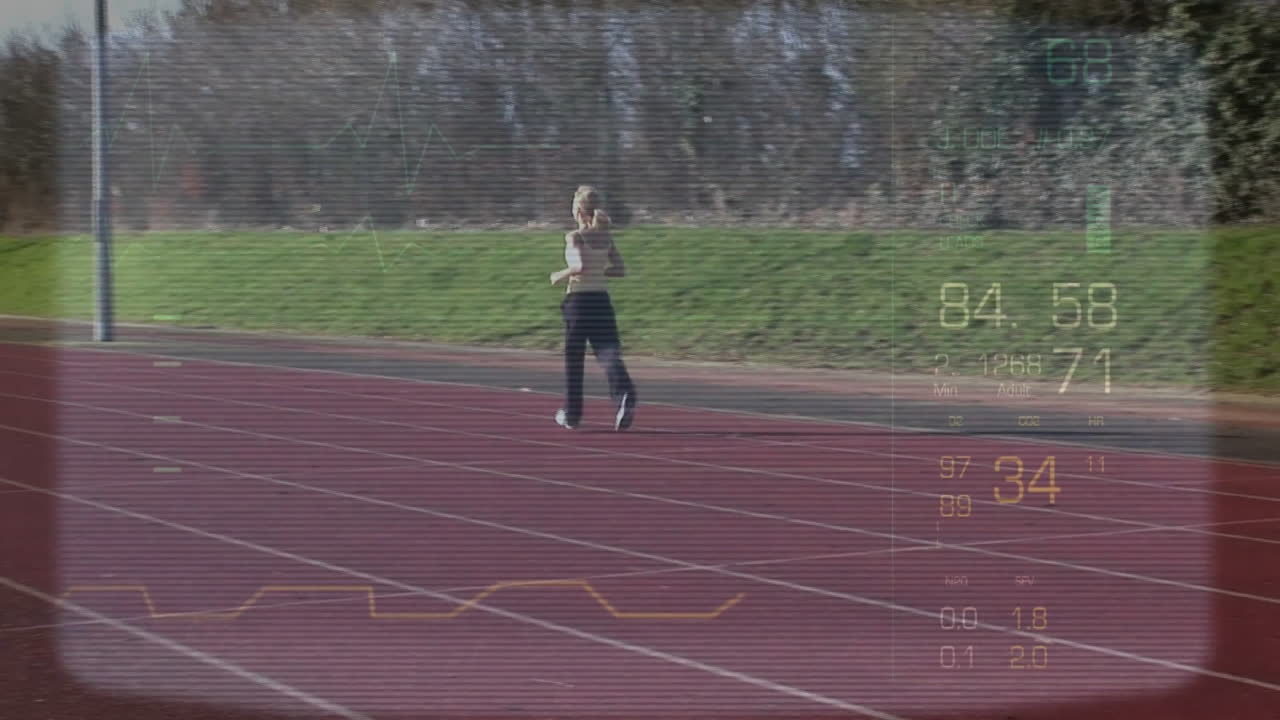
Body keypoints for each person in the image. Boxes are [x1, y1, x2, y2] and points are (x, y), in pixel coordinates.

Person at [548, 186, 636, 431]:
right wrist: (601, 271)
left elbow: (578, 266)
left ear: (577, 210)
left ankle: (572, 415)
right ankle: (624, 395)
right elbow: (620, 270)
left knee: (574, 360)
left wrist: (559, 274)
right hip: (601, 301)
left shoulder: (574, 236)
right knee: (608, 352)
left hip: (577, 302)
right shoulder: (606, 237)